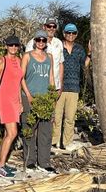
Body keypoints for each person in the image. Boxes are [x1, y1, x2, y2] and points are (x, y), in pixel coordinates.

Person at [21, 29, 56, 172]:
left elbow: (51, 77)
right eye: (38, 40)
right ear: (34, 41)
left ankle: (44, 162)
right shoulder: (27, 56)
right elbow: (21, 78)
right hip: (29, 96)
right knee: (29, 129)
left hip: (45, 99)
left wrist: (52, 97)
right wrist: (28, 95)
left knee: (46, 132)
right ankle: (29, 160)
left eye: (43, 40)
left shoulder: (50, 57)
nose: (41, 42)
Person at [52, 23, 91, 151]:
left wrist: (89, 54)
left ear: (76, 34)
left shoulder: (79, 49)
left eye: (73, 33)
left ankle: (67, 143)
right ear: (64, 34)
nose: (71, 35)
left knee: (70, 118)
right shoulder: (57, 47)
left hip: (74, 88)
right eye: (68, 33)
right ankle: (54, 142)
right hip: (59, 87)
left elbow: (84, 66)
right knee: (56, 117)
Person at [0, 35, 23, 178]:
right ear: (6, 46)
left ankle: (2, 163)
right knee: (12, 133)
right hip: (4, 100)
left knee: (7, 133)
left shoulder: (19, 60)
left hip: (15, 100)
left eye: (16, 45)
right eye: (11, 45)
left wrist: (21, 102)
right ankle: (0, 166)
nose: (13, 48)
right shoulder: (1, 61)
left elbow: (19, 83)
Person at [26, 17, 64, 98]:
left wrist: (60, 85)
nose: (51, 28)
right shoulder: (33, 42)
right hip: (36, 88)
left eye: (54, 26)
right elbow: (26, 66)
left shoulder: (59, 43)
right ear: (44, 27)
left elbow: (60, 64)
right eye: (49, 26)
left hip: (54, 87)